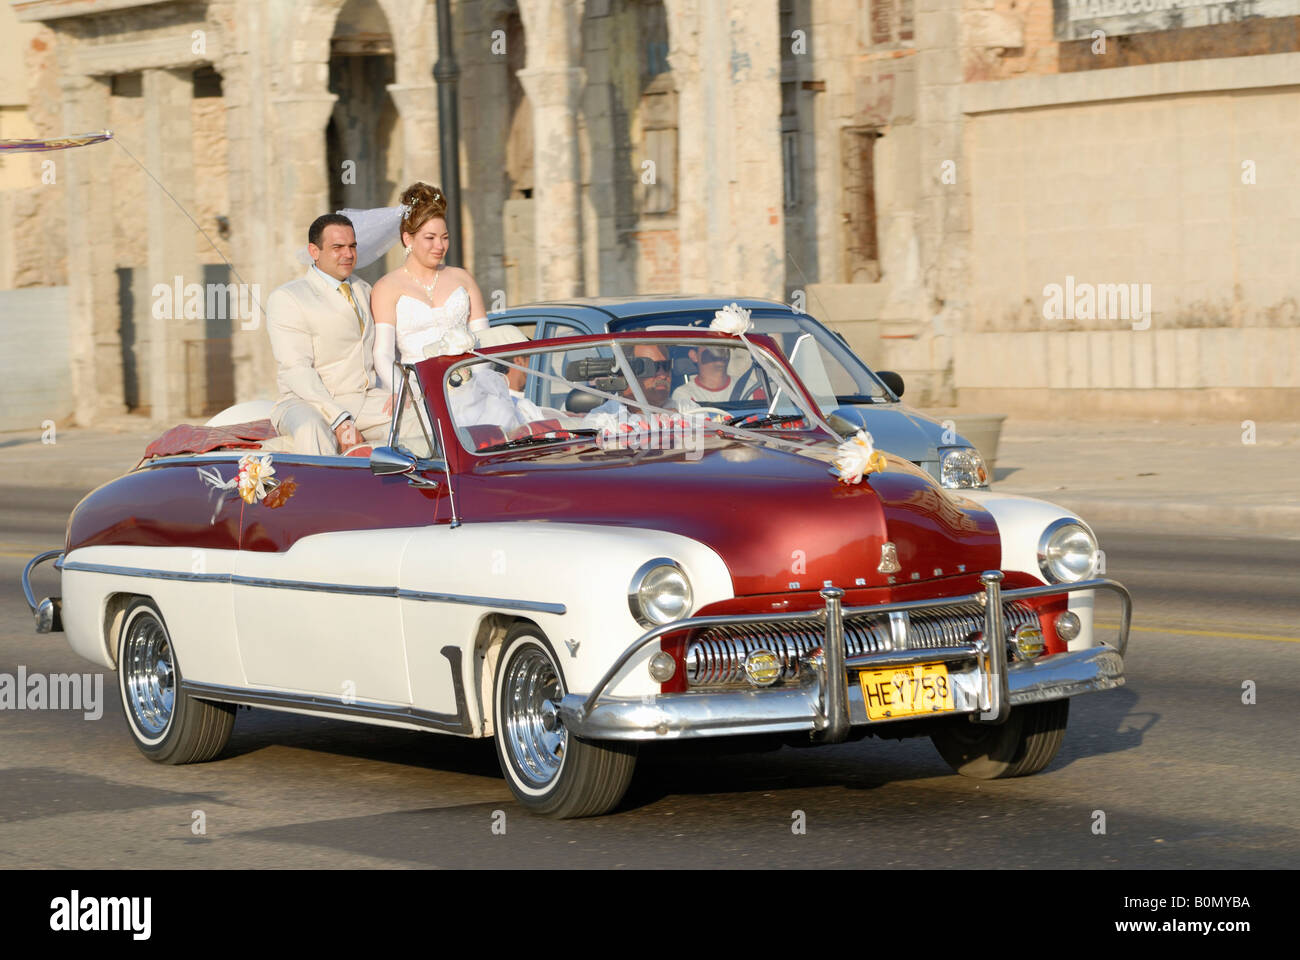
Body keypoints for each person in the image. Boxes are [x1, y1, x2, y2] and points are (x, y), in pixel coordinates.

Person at [265, 214, 392, 455]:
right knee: (311, 428)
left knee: (420, 418)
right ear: (314, 251)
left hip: (363, 398)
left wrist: (399, 393)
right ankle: (321, 492)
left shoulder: (365, 290)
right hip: (305, 401)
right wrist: (339, 420)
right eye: (337, 247)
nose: (348, 254)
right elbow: (296, 370)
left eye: (352, 246)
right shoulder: (288, 298)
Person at [370, 182, 491, 407]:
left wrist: (476, 382)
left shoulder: (463, 279)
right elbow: (383, 354)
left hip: (472, 388)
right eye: (430, 238)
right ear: (408, 239)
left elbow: (485, 341)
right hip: (419, 390)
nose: (440, 245)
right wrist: (407, 392)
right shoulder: (386, 287)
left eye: (444, 237)